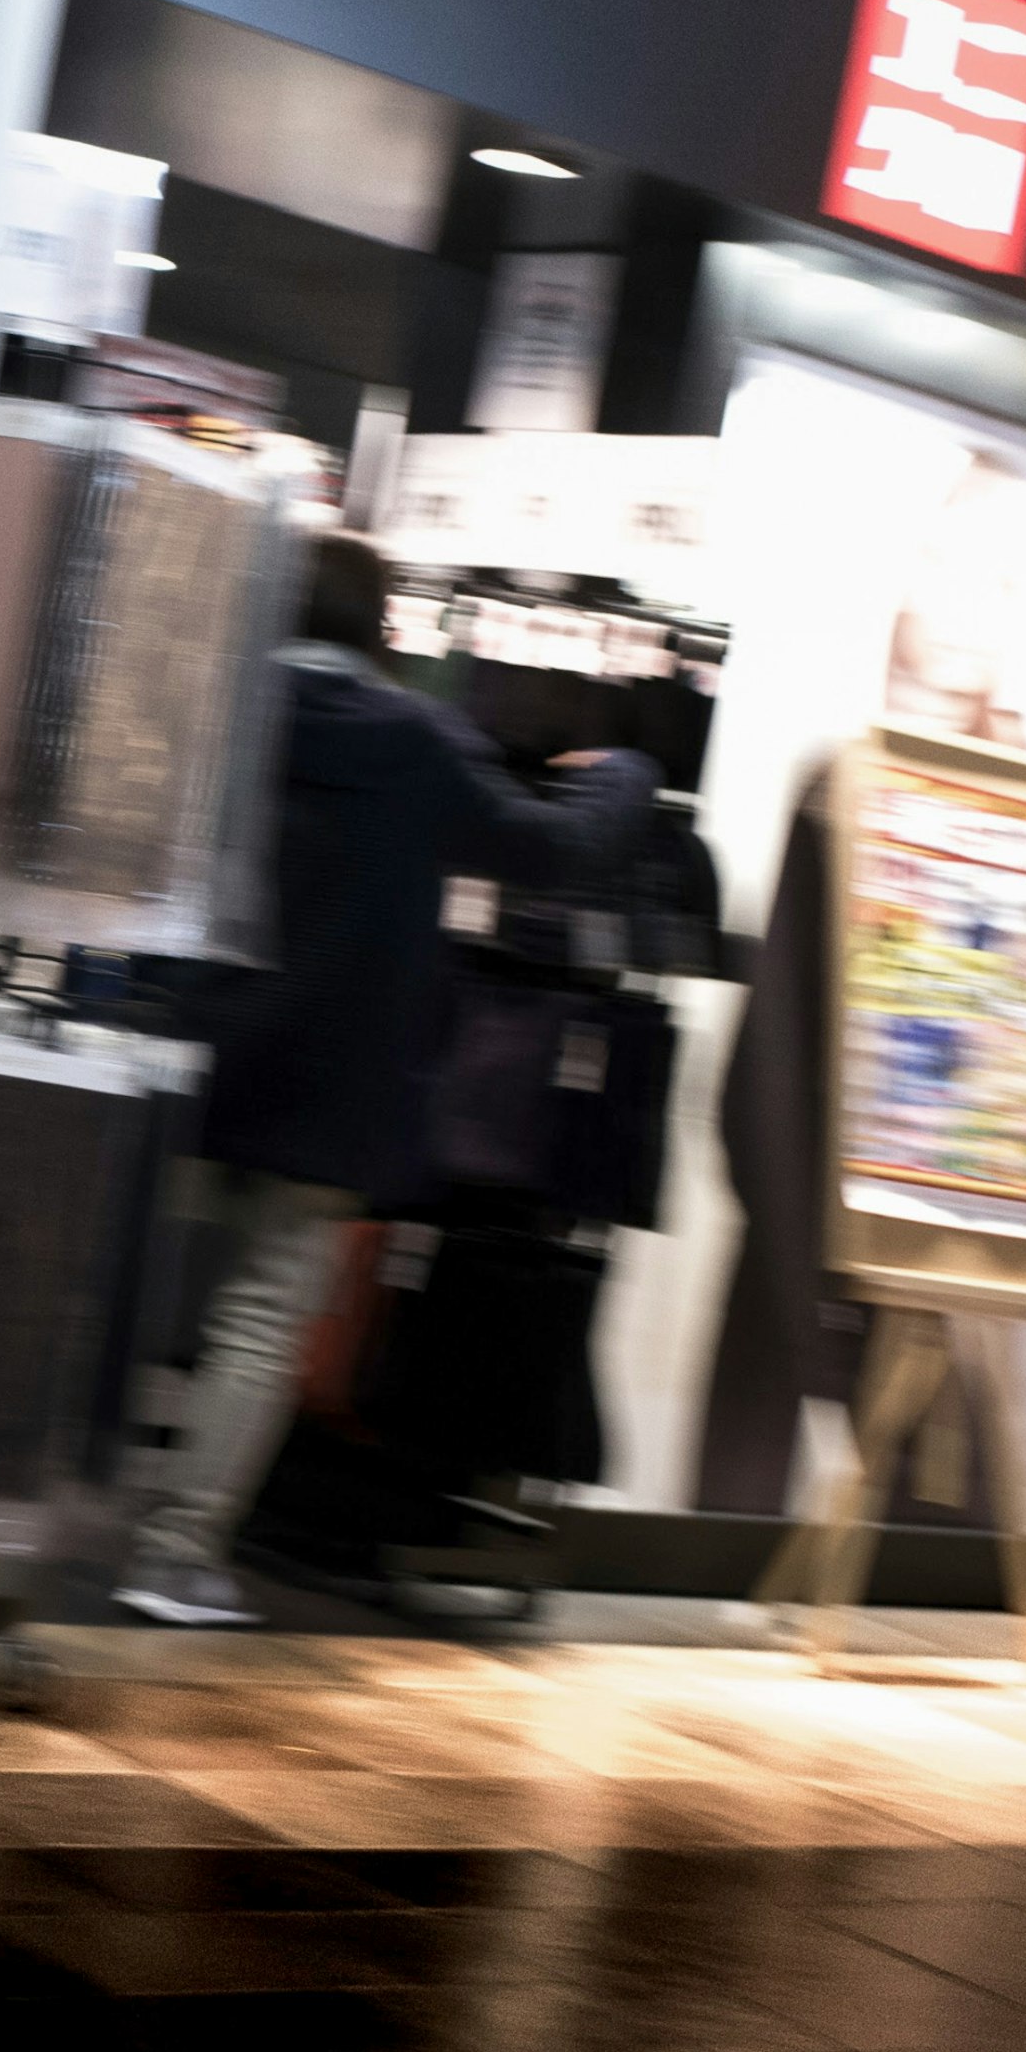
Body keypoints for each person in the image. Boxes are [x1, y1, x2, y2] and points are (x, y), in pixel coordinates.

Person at [114, 531, 653, 1628]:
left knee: (121, 1289)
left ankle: (67, 1504)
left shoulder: (215, 706)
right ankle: (168, 1555)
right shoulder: (411, 738)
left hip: (182, 1050)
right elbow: (545, 850)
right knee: (261, 1317)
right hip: (326, 1078)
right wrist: (623, 775)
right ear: (380, 627)